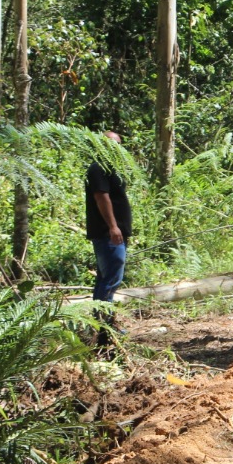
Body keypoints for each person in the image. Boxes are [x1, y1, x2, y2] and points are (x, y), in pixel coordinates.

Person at [85, 131, 132, 349]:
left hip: (115, 233)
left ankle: (103, 323)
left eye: (119, 145)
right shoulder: (98, 168)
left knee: (108, 279)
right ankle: (102, 327)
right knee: (110, 279)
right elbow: (101, 198)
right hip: (108, 234)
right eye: (112, 144)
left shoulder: (111, 169)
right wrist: (113, 227)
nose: (117, 148)